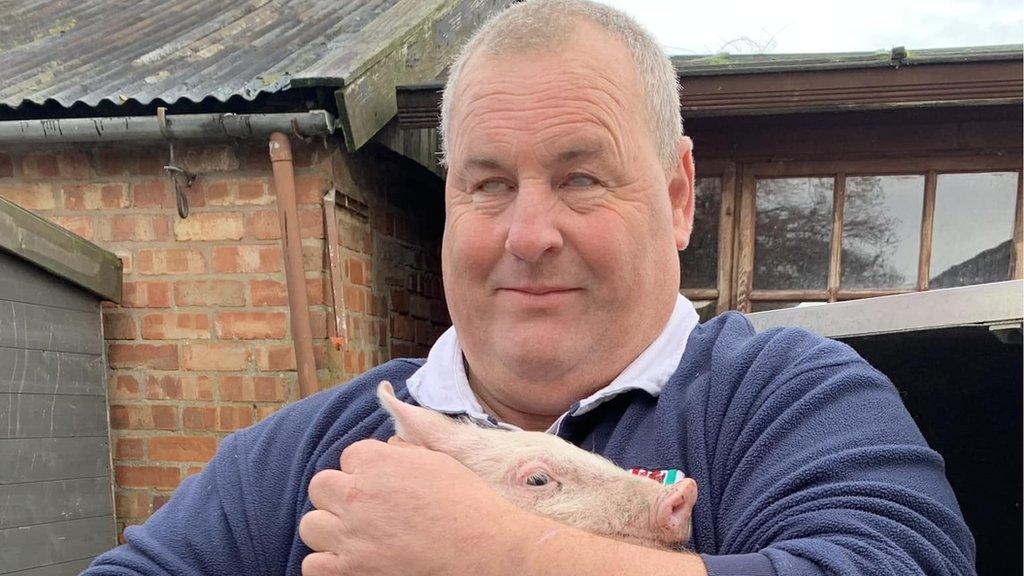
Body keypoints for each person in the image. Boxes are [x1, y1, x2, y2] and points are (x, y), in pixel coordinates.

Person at [84, 1, 976, 575]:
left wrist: (495, 553)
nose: (529, 235)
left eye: (582, 178)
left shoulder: (782, 396)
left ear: (674, 196)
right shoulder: (308, 451)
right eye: (489, 184)